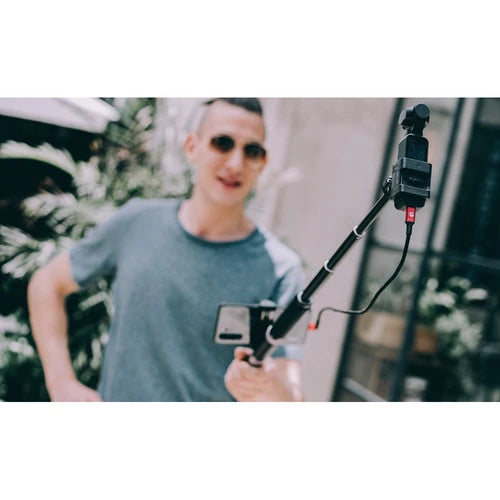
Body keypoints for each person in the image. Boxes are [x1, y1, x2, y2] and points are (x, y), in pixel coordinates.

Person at [27, 98, 305, 402]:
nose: (235, 163)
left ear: (262, 163)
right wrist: (61, 382)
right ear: (192, 147)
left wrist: (263, 385)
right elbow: (46, 284)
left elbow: (291, 397)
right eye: (222, 143)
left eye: (252, 151)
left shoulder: (280, 269)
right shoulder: (136, 222)